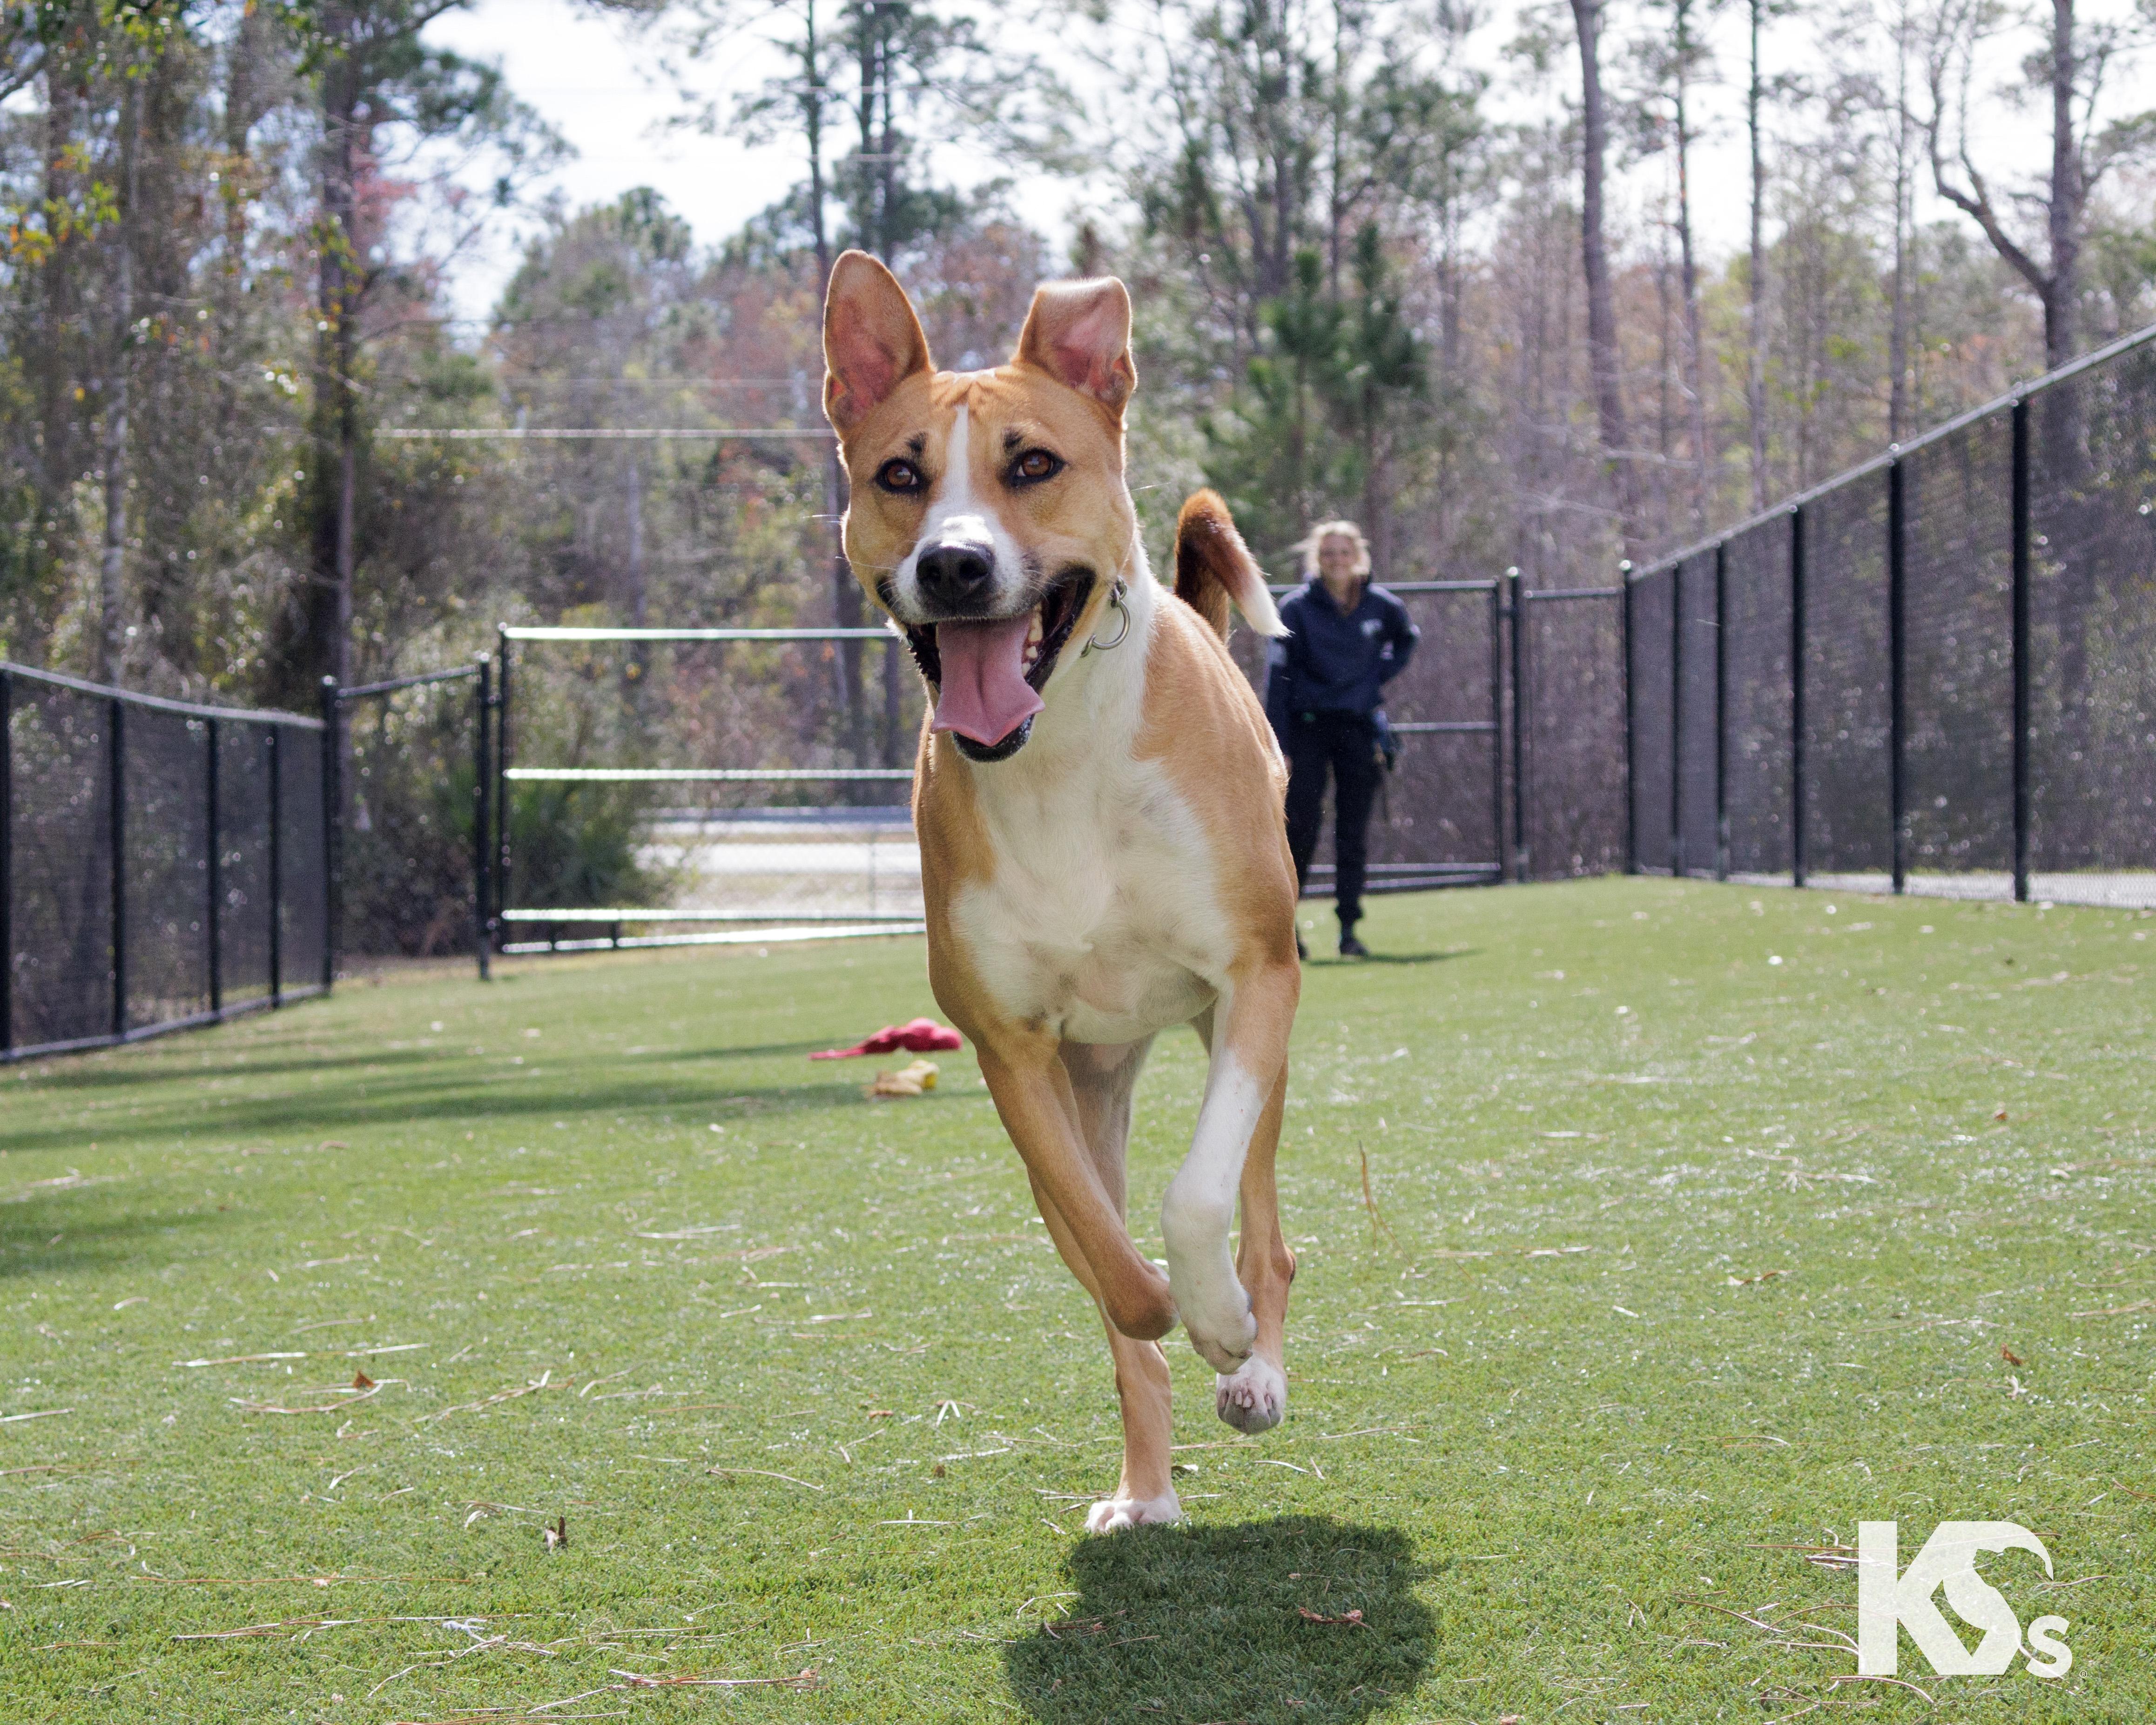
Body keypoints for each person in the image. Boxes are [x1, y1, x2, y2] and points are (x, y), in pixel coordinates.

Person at [1264, 520, 1419, 959]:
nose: (1337, 560)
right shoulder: (1295, 609)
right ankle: (1286, 930)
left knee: (1354, 831)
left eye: (1344, 552)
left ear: (1358, 557)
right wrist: (1281, 746)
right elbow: (1277, 678)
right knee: (1301, 830)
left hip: (1358, 727)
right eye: (1328, 553)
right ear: (1317, 558)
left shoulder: (1380, 606)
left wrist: (1375, 679)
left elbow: (1407, 639)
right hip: (1308, 727)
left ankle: (1349, 929)